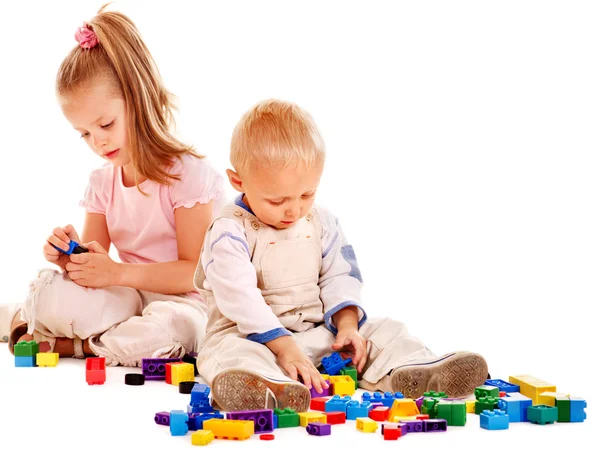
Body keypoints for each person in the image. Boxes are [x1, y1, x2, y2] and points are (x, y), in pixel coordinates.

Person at [193, 99, 488, 411]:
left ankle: (412, 367)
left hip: (315, 334)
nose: (294, 209)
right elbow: (239, 298)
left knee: (383, 330)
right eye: (277, 200)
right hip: (249, 338)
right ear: (238, 181)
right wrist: (284, 348)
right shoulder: (228, 230)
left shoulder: (320, 221)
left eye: (307, 194)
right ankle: (266, 385)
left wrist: (346, 326)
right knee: (231, 355)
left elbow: (340, 276)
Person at [1, 7, 224, 366]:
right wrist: (69, 258)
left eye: (106, 124)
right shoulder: (102, 183)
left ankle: (63, 342)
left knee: (168, 331)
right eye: (85, 133)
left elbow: (194, 274)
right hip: (128, 298)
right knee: (53, 294)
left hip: (185, 303)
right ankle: (40, 320)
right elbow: (94, 265)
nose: (98, 142)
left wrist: (119, 273)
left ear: (138, 98)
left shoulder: (188, 176)